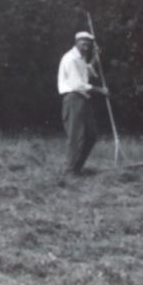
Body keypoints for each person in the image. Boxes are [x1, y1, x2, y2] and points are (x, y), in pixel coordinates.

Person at [57, 31, 109, 176]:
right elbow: (78, 83)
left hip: (83, 99)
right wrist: (100, 90)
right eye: (83, 42)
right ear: (76, 42)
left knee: (91, 135)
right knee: (76, 136)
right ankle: (69, 172)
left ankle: (76, 169)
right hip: (73, 98)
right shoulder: (71, 58)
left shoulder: (80, 59)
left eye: (88, 42)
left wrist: (95, 59)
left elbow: (87, 72)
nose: (86, 45)